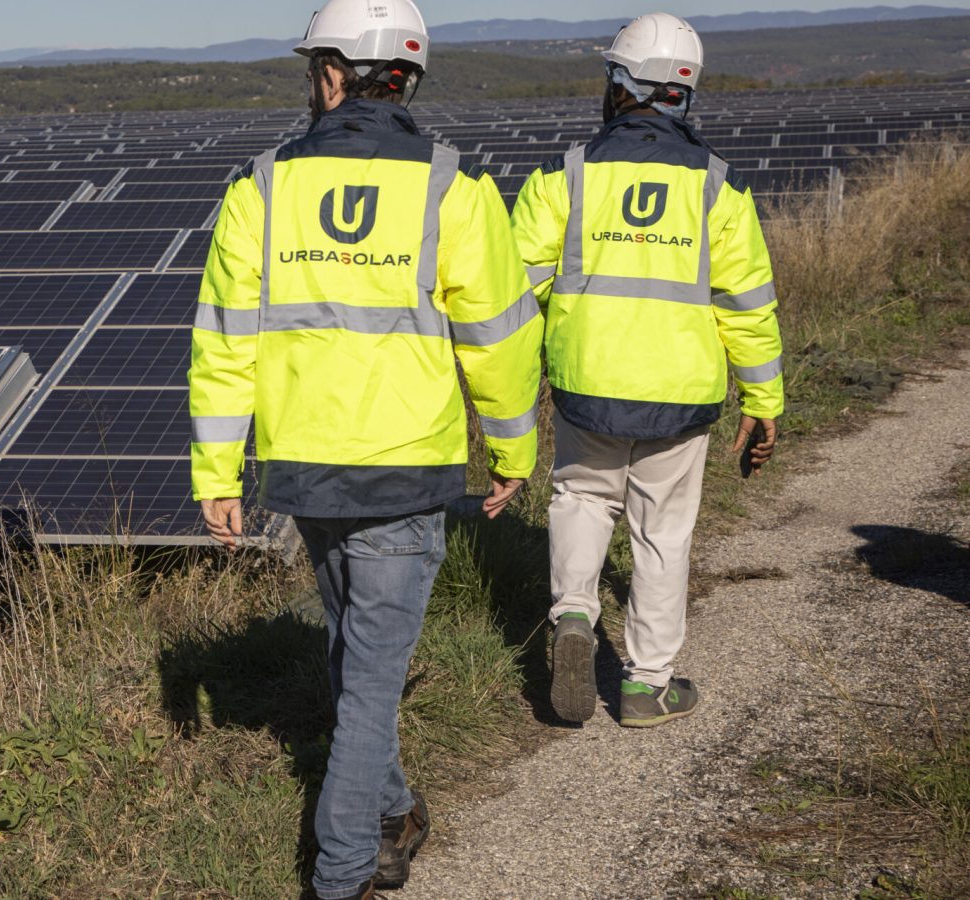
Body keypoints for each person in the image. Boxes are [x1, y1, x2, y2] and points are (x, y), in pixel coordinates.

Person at [188, 1, 544, 895]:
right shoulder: (454, 190)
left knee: (358, 661)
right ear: (407, 78)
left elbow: (224, 343)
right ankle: (343, 875)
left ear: (336, 74)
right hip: (406, 474)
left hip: (306, 475)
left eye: (316, 68)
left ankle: (392, 816)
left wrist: (218, 471)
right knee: (369, 685)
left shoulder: (260, 188)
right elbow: (498, 341)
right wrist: (511, 449)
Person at [510, 13, 784, 728]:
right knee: (662, 533)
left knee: (579, 499)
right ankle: (646, 685)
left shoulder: (563, 179)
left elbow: (515, 290)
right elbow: (747, 305)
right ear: (684, 95)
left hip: (586, 385)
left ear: (617, 87)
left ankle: (573, 613)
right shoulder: (719, 190)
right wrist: (764, 397)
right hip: (680, 395)